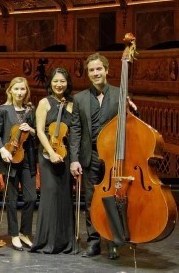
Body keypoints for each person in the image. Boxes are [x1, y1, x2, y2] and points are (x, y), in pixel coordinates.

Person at [69, 53, 121, 260]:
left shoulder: (120, 94)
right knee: (91, 201)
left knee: (114, 200)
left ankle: (114, 242)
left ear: (107, 70)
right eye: (91, 70)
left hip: (114, 156)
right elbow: (76, 130)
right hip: (90, 155)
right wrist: (74, 158)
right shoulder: (80, 98)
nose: (95, 73)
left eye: (99, 69)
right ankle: (94, 242)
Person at [30, 68, 76, 254]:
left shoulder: (73, 103)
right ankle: (47, 241)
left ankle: (65, 242)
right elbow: (40, 130)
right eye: (56, 81)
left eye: (63, 81)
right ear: (50, 83)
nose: (59, 85)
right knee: (50, 194)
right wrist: (51, 152)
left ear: (68, 83)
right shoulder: (44, 103)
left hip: (66, 154)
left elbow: (75, 131)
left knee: (65, 196)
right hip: (48, 154)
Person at [0, 77, 37, 251]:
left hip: (27, 159)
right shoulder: (3, 110)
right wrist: (2, 150)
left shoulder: (30, 110)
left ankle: (25, 232)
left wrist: (31, 130)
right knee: (11, 199)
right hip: (9, 157)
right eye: (16, 89)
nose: (19, 92)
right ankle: (15, 234)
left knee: (31, 197)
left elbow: (35, 135)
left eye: (22, 89)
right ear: (10, 90)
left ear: (26, 91)